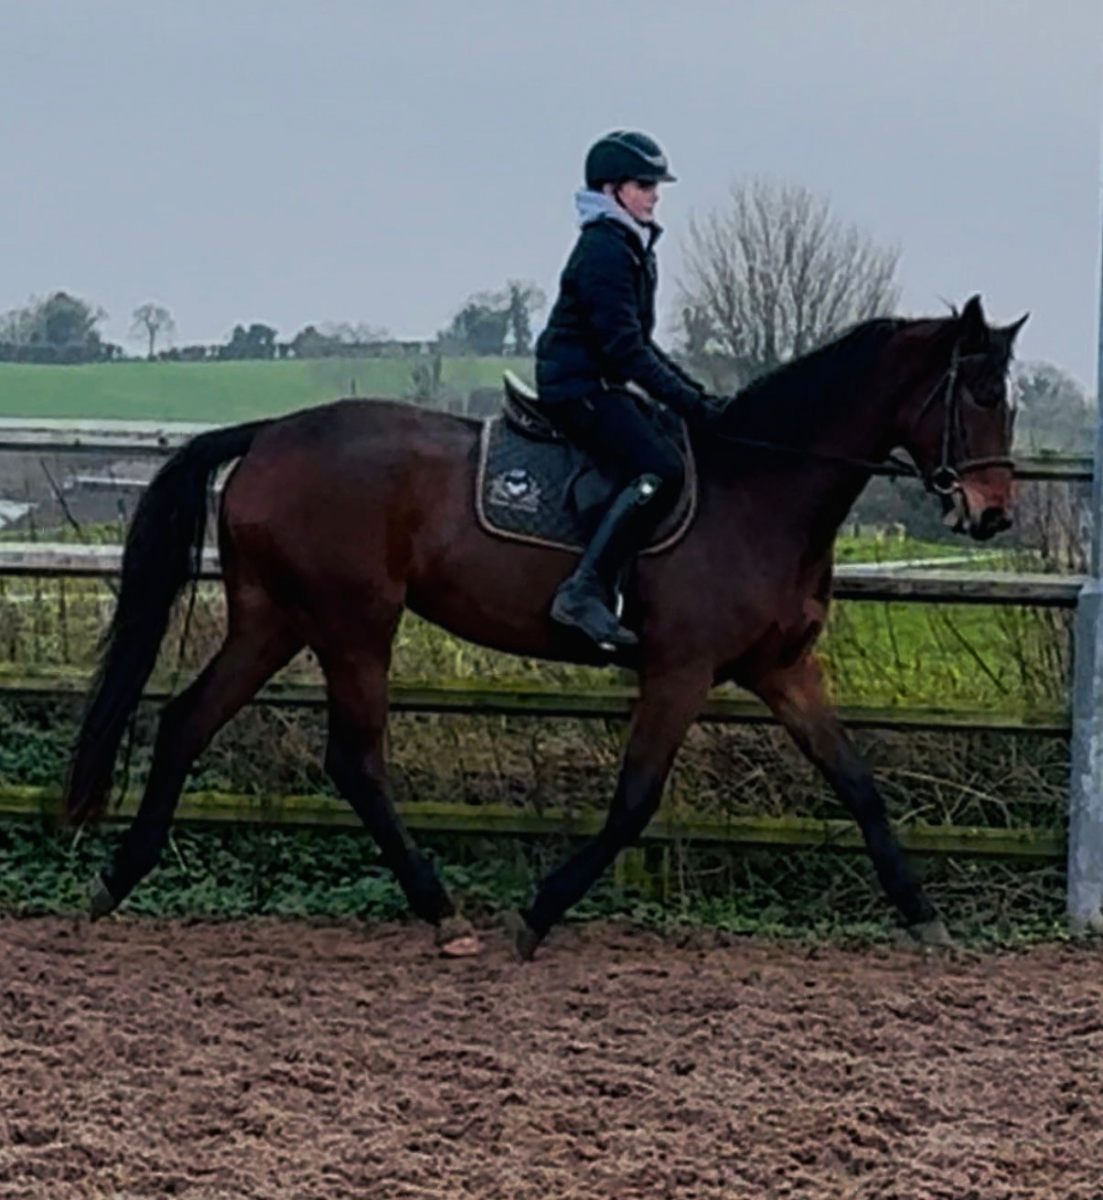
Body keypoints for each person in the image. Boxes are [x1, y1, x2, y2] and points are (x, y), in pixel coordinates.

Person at [535, 130, 725, 651]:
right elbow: (625, 351)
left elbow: (641, 342)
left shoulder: (630, 244)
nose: (654, 195)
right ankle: (583, 590)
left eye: (654, 186)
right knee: (662, 469)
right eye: (644, 185)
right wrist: (692, 403)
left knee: (674, 438)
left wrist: (698, 399)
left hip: (601, 381)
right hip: (578, 387)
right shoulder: (606, 249)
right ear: (612, 190)